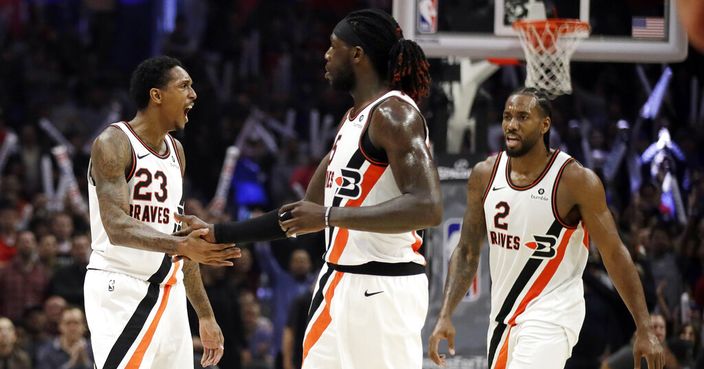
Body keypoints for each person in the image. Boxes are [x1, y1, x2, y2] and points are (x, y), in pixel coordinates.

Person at [178, 8, 441, 369]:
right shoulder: (352, 121)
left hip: (382, 286)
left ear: (358, 55)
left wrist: (331, 216)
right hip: (337, 279)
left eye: (334, 47)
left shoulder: (395, 115)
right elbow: (303, 213)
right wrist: (219, 232)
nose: (326, 55)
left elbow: (428, 207)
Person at [428, 87, 663, 369]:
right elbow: (467, 252)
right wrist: (445, 314)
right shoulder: (485, 174)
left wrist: (645, 327)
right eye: (507, 116)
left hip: (553, 314)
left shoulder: (575, 180)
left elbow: (614, 253)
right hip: (504, 316)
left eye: (523, 117)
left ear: (544, 125)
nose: (512, 125)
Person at [83, 56, 241, 369]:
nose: (193, 95)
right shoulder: (114, 142)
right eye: (184, 86)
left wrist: (205, 314)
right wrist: (181, 244)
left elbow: (179, 236)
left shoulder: (176, 152)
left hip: (170, 293)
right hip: (121, 287)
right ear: (156, 95)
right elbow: (116, 226)